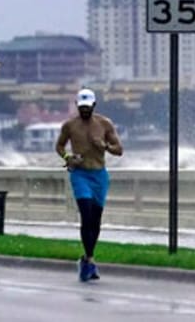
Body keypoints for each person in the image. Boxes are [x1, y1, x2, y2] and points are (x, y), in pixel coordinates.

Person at [55, 88, 123, 282]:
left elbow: (119, 149)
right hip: (80, 174)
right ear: (77, 105)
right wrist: (69, 157)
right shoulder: (70, 126)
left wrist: (105, 146)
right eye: (81, 107)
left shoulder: (104, 124)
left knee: (95, 219)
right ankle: (90, 261)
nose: (85, 111)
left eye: (88, 107)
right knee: (86, 214)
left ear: (94, 105)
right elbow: (59, 146)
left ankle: (86, 259)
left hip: (99, 175)